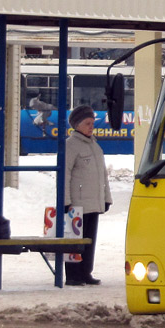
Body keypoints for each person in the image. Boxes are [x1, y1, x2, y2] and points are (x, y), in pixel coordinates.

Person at [64, 105, 111, 286]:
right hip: (77, 204)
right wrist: (66, 201)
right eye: (87, 123)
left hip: (93, 203)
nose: (91, 127)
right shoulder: (71, 146)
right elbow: (65, 175)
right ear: (77, 125)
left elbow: (103, 176)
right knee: (75, 240)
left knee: (89, 240)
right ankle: (73, 274)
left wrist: (106, 198)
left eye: (92, 123)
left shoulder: (95, 146)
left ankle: (85, 272)